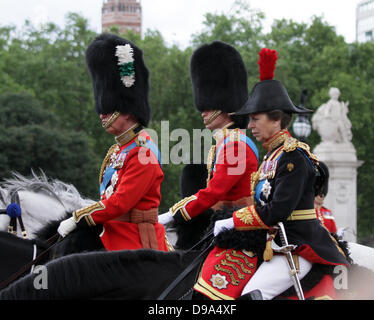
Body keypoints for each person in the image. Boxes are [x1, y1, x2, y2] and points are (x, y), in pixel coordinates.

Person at [211, 48, 349, 300]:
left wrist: (233, 220)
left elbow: (277, 211)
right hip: (272, 242)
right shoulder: (272, 156)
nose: (250, 125)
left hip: (298, 245)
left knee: (253, 295)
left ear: (276, 120)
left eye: (255, 119)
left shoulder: (293, 157)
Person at [57, 33, 170, 252]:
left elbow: (119, 203)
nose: (101, 114)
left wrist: (79, 217)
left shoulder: (142, 151)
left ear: (127, 109)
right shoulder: (119, 149)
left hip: (135, 243)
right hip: (111, 235)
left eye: (107, 108)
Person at [159, 41, 259, 225]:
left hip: (240, 226)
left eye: (209, 106)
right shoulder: (224, 143)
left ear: (229, 107)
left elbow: (214, 192)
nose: (203, 112)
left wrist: (174, 213)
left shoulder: (236, 145)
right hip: (224, 222)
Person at [315, 161, 337, 234]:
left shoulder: (327, 213)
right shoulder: (308, 212)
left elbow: (334, 231)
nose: (321, 196)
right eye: (319, 194)